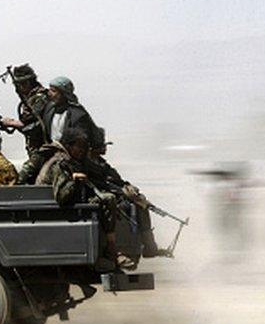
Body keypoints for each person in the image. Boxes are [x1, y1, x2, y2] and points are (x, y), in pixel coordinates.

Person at [37, 128, 134, 271]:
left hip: (71, 204)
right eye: (79, 146)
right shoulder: (60, 163)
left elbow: (99, 175)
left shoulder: (75, 160)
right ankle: (111, 249)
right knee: (107, 200)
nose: (82, 150)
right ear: (69, 146)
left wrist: (123, 187)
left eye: (84, 146)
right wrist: (75, 181)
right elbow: (61, 197)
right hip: (58, 209)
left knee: (113, 199)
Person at [86, 128, 168, 258]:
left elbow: (117, 179)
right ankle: (119, 250)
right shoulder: (86, 164)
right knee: (123, 208)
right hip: (102, 198)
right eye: (102, 145)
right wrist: (120, 190)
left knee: (141, 203)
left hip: (112, 194)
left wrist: (128, 187)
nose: (105, 148)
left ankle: (149, 245)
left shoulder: (101, 163)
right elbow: (96, 184)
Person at [0, 64, 50, 184]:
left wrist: (12, 123)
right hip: (34, 148)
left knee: (21, 179)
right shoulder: (30, 98)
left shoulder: (40, 97)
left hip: (42, 149)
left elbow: (34, 124)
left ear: (27, 83)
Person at [40, 76, 99, 145]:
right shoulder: (48, 109)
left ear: (64, 94)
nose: (49, 94)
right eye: (50, 90)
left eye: (54, 91)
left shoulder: (77, 115)